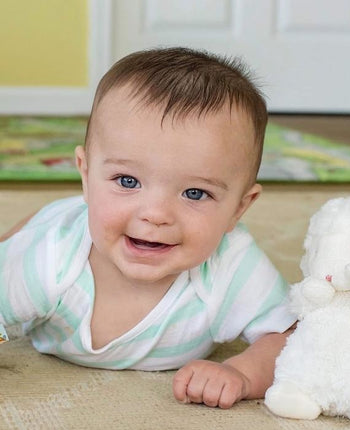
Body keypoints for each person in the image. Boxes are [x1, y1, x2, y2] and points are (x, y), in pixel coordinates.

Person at [0, 47, 296, 409]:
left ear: (239, 207)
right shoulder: (49, 258)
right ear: (87, 174)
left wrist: (244, 372)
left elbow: (291, 336)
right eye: (127, 181)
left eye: (194, 193)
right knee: (18, 241)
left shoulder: (230, 264)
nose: (155, 214)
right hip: (53, 226)